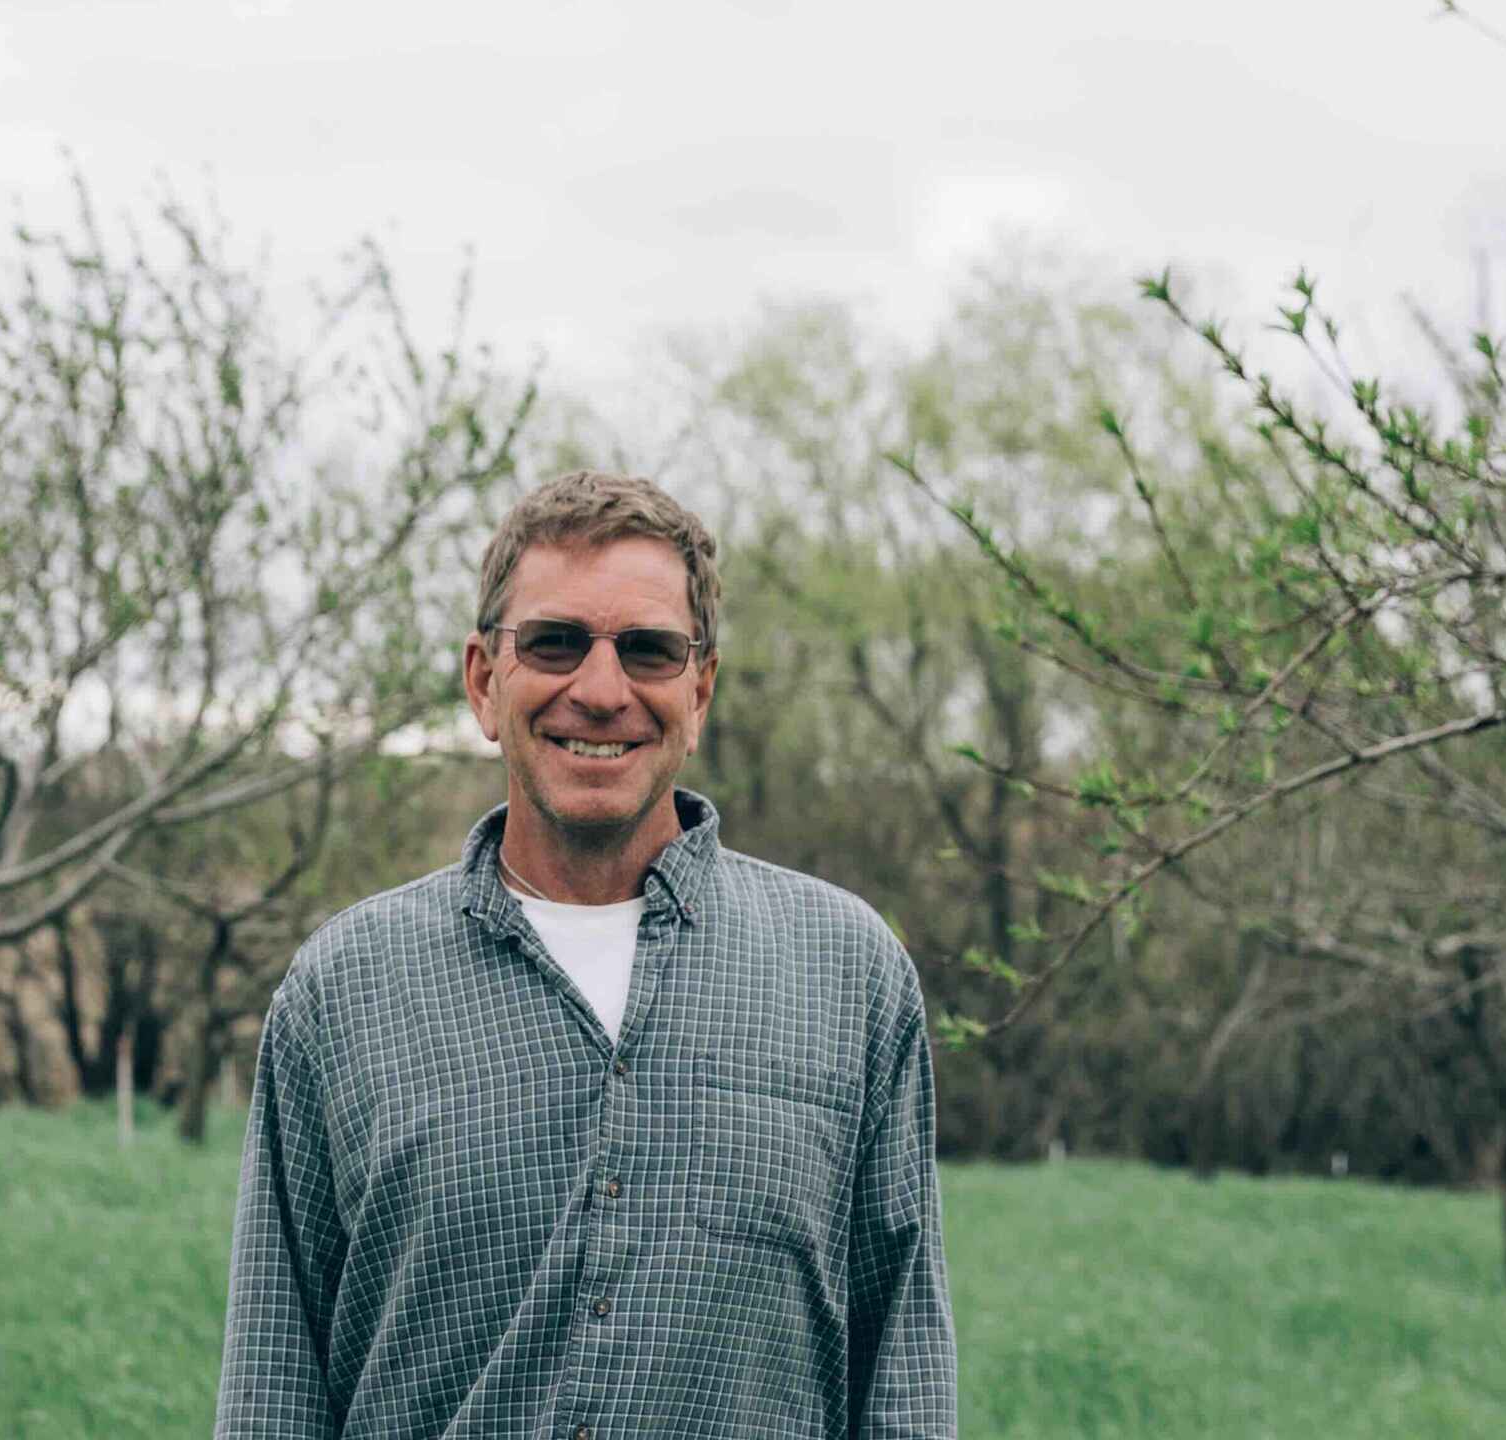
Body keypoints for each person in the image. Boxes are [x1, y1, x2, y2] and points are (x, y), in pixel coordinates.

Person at [216, 470, 958, 1438]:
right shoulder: (345, 985)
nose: (600, 690)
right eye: (556, 642)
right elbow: (275, 1384)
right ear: (486, 681)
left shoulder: (847, 971)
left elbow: (901, 1368)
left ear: (700, 689)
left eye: (647, 651)